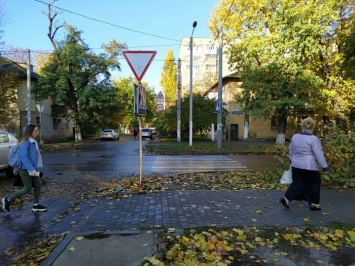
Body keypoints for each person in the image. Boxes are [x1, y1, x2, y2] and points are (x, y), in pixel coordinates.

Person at [279, 117, 330, 211]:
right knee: (314, 184)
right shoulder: (313, 139)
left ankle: (286, 199)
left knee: (297, 183)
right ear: (312, 127)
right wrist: (325, 167)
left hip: (296, 164)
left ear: (302, 126)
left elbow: (291, 151)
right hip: (309, 166)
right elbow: (318, 154)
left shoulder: (295, 136)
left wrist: (291, 161)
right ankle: (314, 204)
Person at [2, 124, 47, 212]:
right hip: (24, 168)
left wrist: (34, 168)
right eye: (35, 131)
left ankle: (36, 205)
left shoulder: (33, 141)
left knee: (38, 184)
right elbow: (24, 157)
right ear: (30, 132)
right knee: (27, 188)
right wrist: (31, 169)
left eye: (37, 130)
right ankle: (7, 199)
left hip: (32, 168)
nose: (37, 133)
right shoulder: (25, 143)